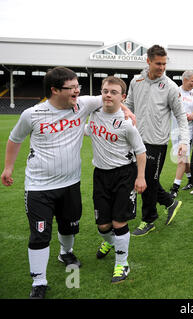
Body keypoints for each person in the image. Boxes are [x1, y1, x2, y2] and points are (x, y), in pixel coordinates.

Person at [0, 67, 135, 298]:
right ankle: (39, 282)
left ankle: (66, 252)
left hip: (71, 183)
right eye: (71, 88)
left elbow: (110, 96)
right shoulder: (31, 114)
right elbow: (15, 139)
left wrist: (126, 109)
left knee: (69, 226)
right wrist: (8, 167)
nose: (77, 91)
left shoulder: (82, 104)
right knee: (40, 234)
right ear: (54, 90)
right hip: (39, 187)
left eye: (77, 86)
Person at [85, 76, 147, 283]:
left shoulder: (127, 123)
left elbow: (141, 152)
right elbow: (86, 129)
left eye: (113, 92)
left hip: (124, 175)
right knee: (103, 225)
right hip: (100, 175)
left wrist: (140, 177)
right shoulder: (93, 113)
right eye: (105, 91)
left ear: (123, 97)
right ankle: (111, 242)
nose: (108, 95)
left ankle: (122, 264)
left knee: (118, 221)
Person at [125, 45, 186, 236]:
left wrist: (184, 140)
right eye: (158, 63)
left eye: (164, 64)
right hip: (136, 139)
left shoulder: (170, 86)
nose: (161, 67)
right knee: (145, 179)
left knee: (149, 182)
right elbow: (128, 106)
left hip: (156, 141)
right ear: (148, 61)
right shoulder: (136, 81)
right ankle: (169, 202)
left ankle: (148, 220)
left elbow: (181, 116)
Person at [169, 70, 193, 197]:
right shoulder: (174, 91)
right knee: (185, 158)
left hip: (188, 132)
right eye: (192, 81)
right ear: (184, 80)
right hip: (174, 130)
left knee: (181, 158)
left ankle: (175, 188)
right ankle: (191, 179)